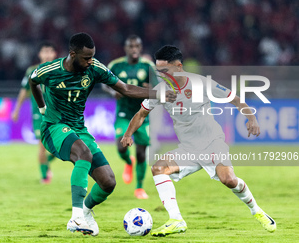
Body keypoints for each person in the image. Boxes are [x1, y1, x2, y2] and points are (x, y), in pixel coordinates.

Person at [29, 33, 176, 236]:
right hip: (54, 126)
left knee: (108, 182)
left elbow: (124, 88)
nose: (90, 61)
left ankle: (87, 213)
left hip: (78, 128)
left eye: (92, 57)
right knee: (84, 153)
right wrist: (43, 108)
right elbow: (32, 81)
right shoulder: (52, 70)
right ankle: (76, 216)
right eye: (86, 58)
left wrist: (157, 94)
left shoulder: (95, 68)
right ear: (73, 54)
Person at [121, 45, 276, 236]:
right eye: (158, 71)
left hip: (212, 142)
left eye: (164, 70)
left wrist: (251, 118)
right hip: (188, 149)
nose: (161, 75)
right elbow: (142, 114)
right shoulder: (160, 90)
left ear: (178, 66)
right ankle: (176, 219)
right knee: (158, 168)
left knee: (228, 180)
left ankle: (257, 211)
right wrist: (128, 134)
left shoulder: (201, 83)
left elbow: (235, 99)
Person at [102, 35, 156, 199]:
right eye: (131, 46)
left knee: (141, 152)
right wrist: (112, 91)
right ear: (125, 48)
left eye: (137, 46)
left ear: (140, 48)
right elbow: (104, 82)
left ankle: (139, 188)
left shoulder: (148, 66)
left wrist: (151, 87)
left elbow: (159, 85)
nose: (134, 49)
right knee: (121, 147)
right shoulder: (116, 65)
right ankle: (128, 161)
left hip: (143, 113)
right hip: (123, 113)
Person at [12, 41, 57, 184]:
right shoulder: (32, 70)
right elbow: (24, 91)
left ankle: (46, 163)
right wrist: (16, 110)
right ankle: (44, 176)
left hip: (56, 113)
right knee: (42, 146)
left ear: (54, 54)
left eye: (50, 51)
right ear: (40, 54)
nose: (48, 54)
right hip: (39, 114)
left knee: (57, 147)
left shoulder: (59, 70)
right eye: (45, 51)